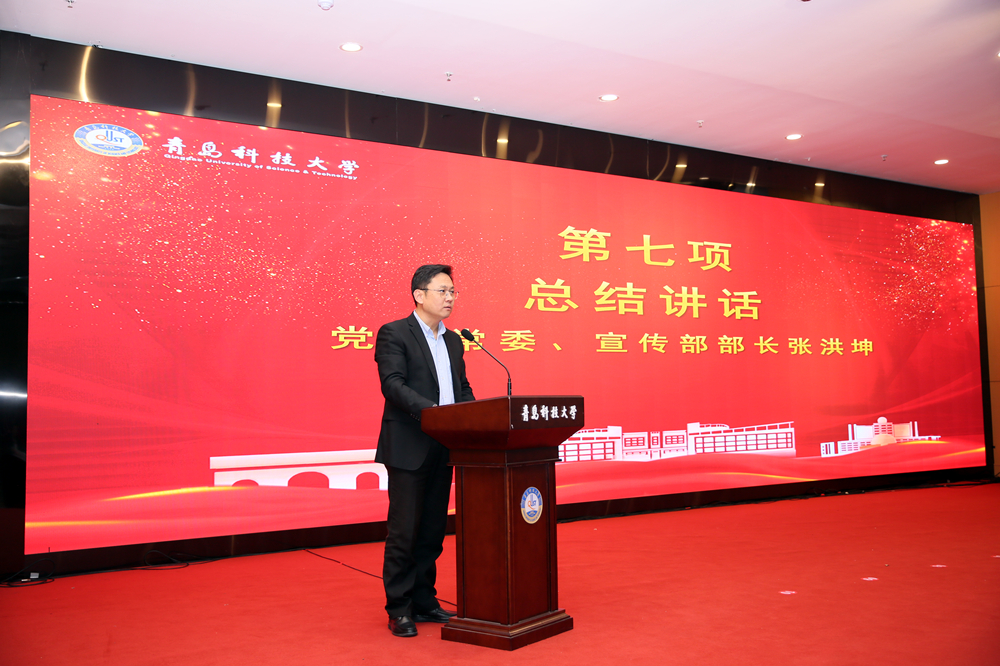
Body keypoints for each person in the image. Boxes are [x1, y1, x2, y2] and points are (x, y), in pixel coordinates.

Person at [374, 264, 475, 638]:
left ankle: (424, 600)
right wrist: (434, 412)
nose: (450, 298)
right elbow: (392, 385)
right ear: (419, 295)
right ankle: (399, 608)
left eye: (453, 292)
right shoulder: (394, 333)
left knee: (432, 530)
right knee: (405, 531)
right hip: (409, 446)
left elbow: (462, 388)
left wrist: (475, 417)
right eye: (442, 291)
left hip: (444, 447)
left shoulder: (454, 341)